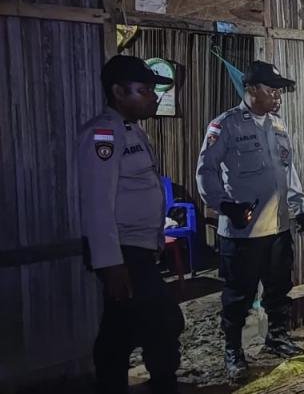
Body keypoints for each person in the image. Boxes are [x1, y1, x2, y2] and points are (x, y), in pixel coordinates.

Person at [77, 55, 185, 394]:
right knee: (162, 322)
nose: (154, 97)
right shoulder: (103, 135)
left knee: (122, 327)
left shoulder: (132, 130)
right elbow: (97, 202)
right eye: (145, 90)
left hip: (137, 249)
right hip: (123, 252)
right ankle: (162, 384)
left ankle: (113, 384)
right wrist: (111, 264)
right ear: (118, 91)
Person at [196, 61, 304, 380]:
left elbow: (288, 171)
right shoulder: (225, 126)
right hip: (243, 230)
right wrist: (223, 205)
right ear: (251, 90)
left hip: (277, 226)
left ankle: (277, 335)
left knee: (279, 286)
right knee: (239, 294)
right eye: (272, 90)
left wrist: (299, 206)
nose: (278, 97)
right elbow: (205, 171)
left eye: (279, 91)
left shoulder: (278, 126)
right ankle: (234, 350)